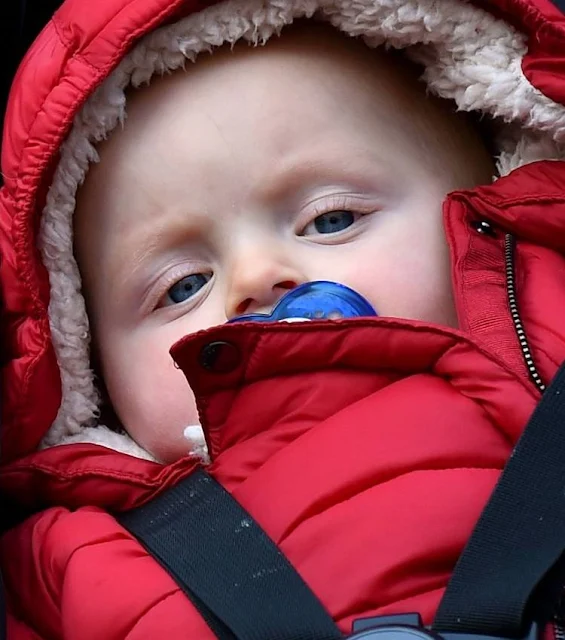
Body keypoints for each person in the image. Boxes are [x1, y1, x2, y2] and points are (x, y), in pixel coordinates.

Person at [1, 0, 565, 636]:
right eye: (182, 286)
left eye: (331, 219)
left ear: (491, 210)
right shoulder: (80, 562)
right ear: (91, 373)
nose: (256, 277)